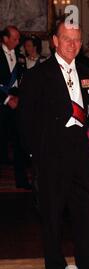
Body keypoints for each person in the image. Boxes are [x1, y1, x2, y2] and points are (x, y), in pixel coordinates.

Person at [18, 21, 89, 269]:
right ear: (54, 41)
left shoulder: (86, 71)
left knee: (88, 211)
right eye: (66, 39)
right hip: (51, 154)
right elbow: (25, 119)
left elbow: (87, 104)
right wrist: (34, 155)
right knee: (52, 216)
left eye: (76, 39)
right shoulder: (39, 75)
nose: (71, 44)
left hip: (80, 153)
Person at [0, 25, 30, 189]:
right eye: (15, 39)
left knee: (20, 143)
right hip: (1, 104)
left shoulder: (20, 58)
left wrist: (19, 97)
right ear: (5, 39)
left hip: (16, 105)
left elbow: (21, 81)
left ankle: (22, 181)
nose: (19, 42)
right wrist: (6, 99)